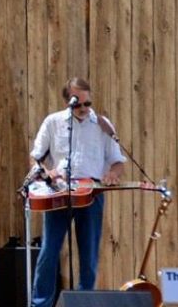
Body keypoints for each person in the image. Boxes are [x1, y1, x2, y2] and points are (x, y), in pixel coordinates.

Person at [29, 77, 127, 307]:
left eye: (87, 103)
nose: (83, 109)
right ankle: (40, 303)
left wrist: (113, 174)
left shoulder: (102, 124)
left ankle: (84, 302)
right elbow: (36, 155)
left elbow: (118, 161)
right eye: (78, 104)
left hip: (91, 194)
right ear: (67, 103)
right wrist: (47, 172)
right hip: (59, 193)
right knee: (49, 252)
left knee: (89, 255)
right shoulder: (53, 122)